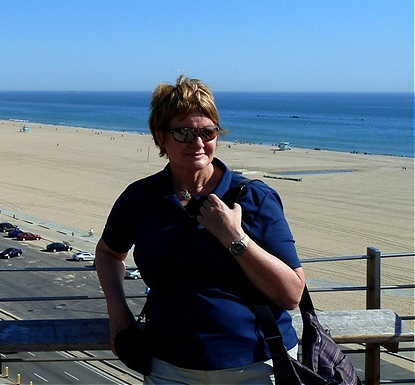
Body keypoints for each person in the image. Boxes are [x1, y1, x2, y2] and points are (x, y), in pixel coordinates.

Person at [96, 75, 306, 384]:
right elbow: (108, 252)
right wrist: (118, 311)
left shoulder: (253, 198)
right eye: (183, 132)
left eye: (207, 132)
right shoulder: (142, 198)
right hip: (170, 368)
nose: (197, 143)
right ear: (160, 137)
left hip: (258, 366)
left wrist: (235, 238)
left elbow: (291, 294)